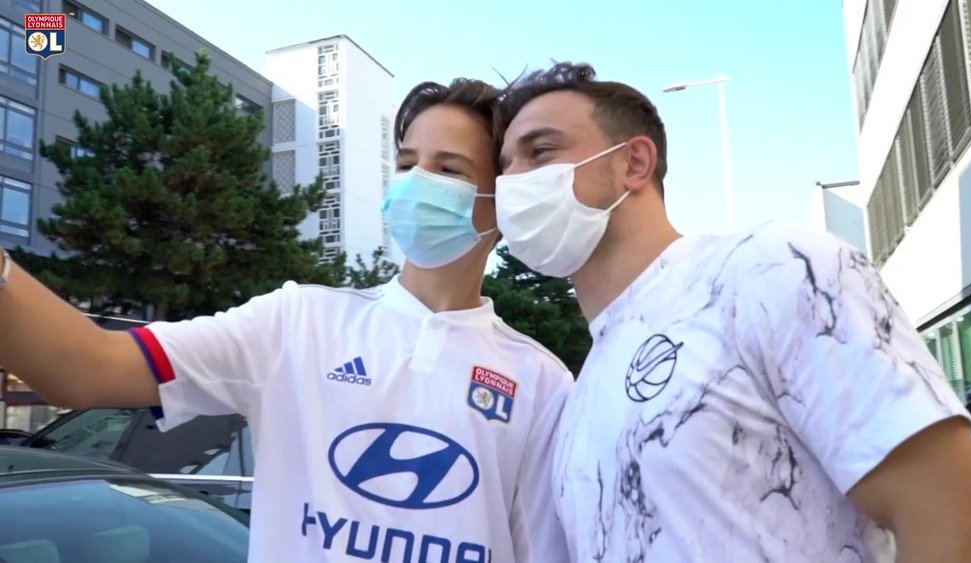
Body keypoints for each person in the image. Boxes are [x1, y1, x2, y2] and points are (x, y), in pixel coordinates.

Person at [0, 78, 573, 563]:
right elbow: (84, 368)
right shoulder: (298, 320)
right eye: (405, 163)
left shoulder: (541, 381)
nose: (416, 181)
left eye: (447, 168)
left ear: (500, 203)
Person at [493, 62, 971, 562]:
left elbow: (962, 528)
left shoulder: (772, 270)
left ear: (634, 163)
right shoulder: (580, 395)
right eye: (504, 166)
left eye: (539, 152)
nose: (512, 181)